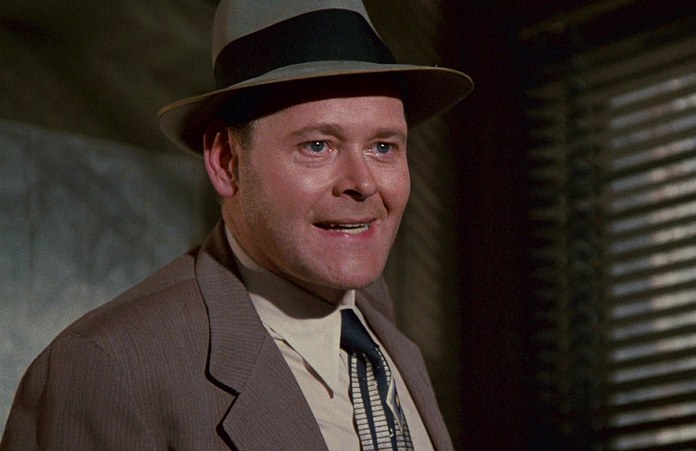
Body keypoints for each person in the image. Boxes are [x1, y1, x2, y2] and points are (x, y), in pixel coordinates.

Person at [0, 0, 472, 449]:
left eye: (383, 147)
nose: (363, 183)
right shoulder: (108, 369)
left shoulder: (371, 316)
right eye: (317, 146)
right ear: (227, 161)